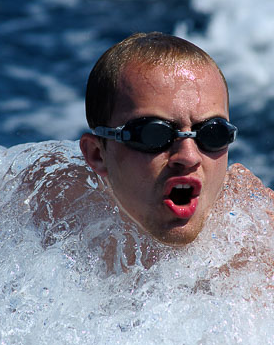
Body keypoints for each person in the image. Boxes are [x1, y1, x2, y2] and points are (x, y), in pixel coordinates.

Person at [79, 32, 237, 246]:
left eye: (212, 134)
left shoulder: (269, 253)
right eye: (154, 134)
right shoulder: (48, 237)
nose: (189, 157)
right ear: (97, 154)